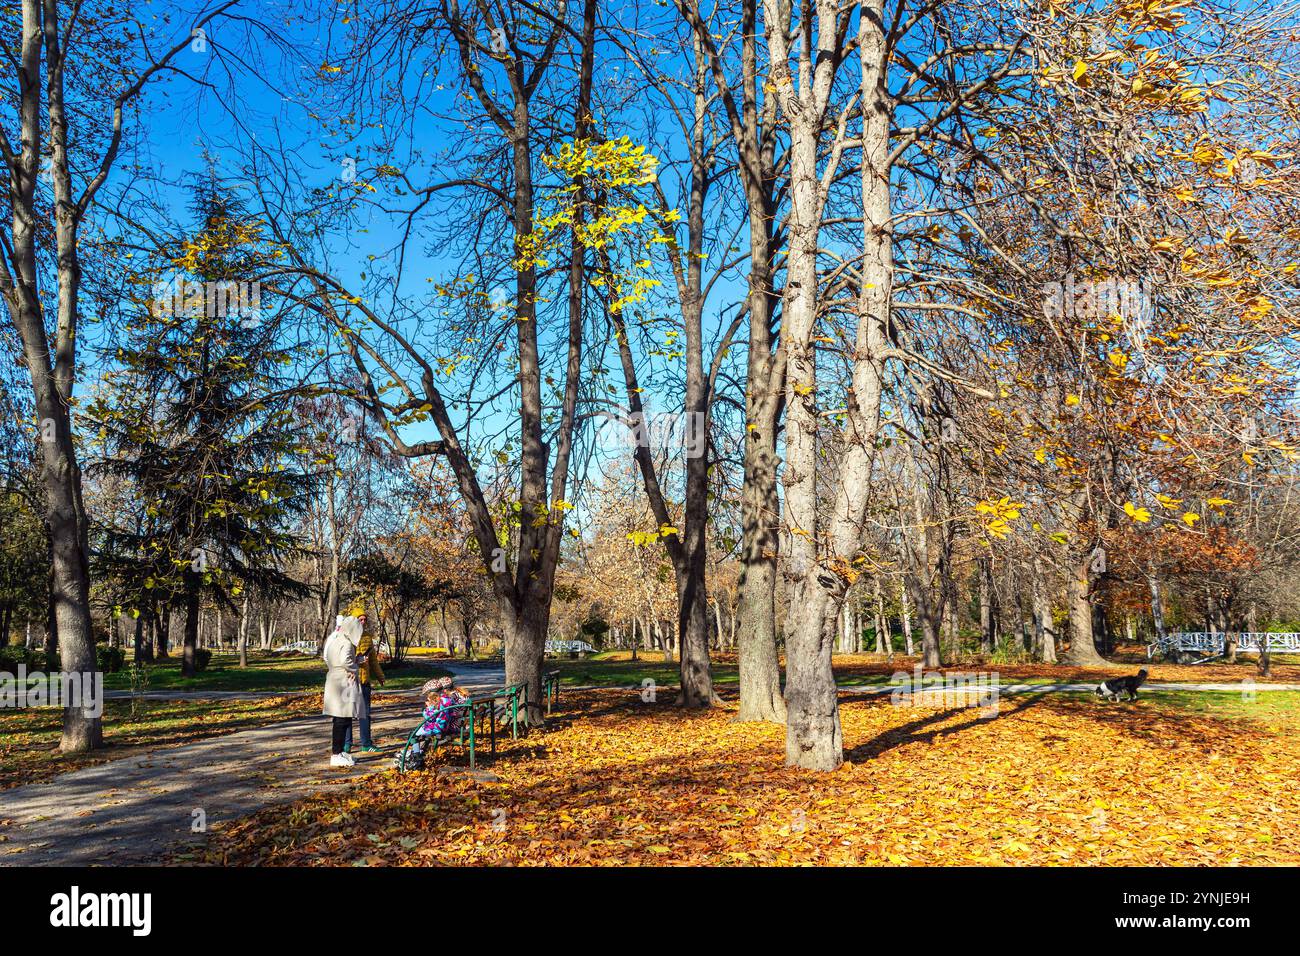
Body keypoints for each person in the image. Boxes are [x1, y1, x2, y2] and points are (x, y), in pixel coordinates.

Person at [322, 614, 363, 767]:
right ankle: (336, 754)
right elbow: (345, 660)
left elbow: (330, 658)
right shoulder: (346, 642)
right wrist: (355, 667)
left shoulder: (335, 639)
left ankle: (340, 752)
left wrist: (355, 661)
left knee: (342, 718)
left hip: (334, 680)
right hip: (343, 682)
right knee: (342, 719)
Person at [344, 605, 385, 754]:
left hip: (364, 681)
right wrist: (356, 660)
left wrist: (380, 676)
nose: (362, 622)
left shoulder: (367, 637)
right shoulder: (345, 636)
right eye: (359, 619)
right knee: (347, 713)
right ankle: (346, 744)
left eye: (364, 619)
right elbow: (343, 658)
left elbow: (373, 661)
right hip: (349, 681)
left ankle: (366, 743)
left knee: (365, 713)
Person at [408, 677, 467, 765]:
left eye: (427, 695)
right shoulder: (448, 699)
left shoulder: (438, 703)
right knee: (421, 733)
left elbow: (430, 717)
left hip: (437, 728)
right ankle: (421, 752)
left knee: (413, 735)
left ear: (431, 694)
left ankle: (417, 757)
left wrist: (428, 708)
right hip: (446, 726)